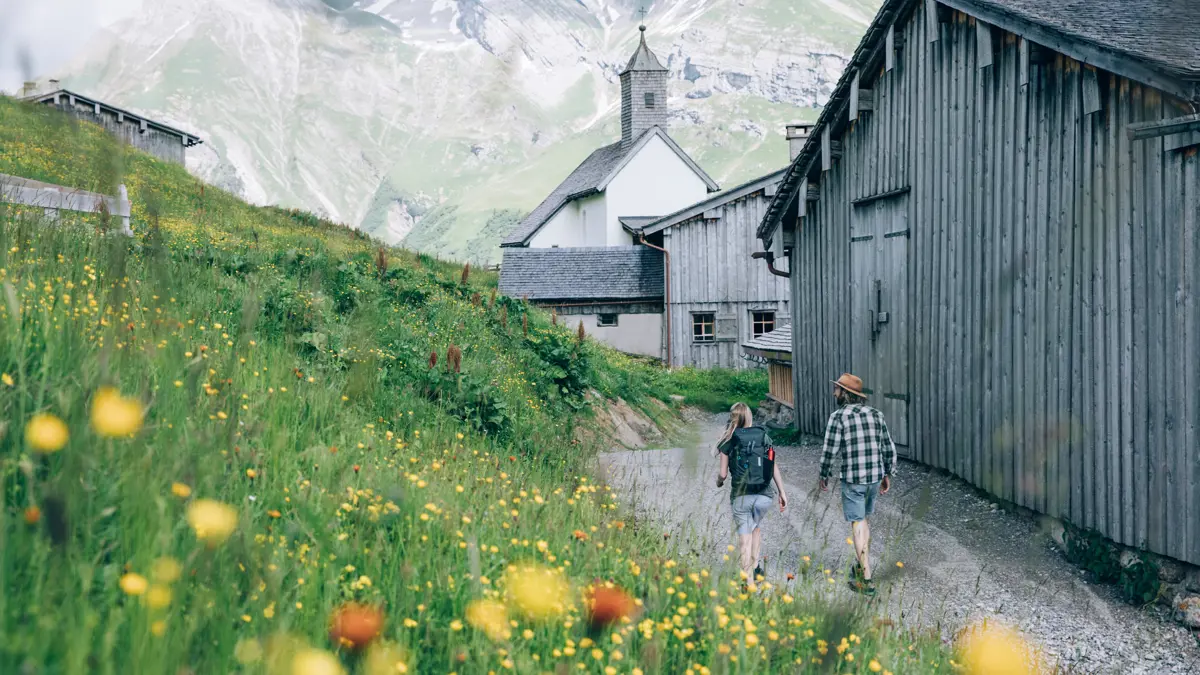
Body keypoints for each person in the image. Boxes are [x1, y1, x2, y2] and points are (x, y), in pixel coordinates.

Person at [818, 373, 897, 597]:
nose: (834, 393)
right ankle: (861, 565)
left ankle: (867, 578)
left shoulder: (838, 417)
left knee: (858, 522)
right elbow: (887, 446)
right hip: (874, 477)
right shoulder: (876, 414)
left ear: (845, 393)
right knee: (863, 520)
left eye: (837, 389)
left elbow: (830, 449)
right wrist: (887, 473)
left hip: (854, 478)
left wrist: (824, 473)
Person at [715, 402, 788, 584]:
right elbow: (772, 464)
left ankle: (747, 582)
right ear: (749, 417)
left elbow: (723, 474)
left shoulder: (728, 440)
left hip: (741, 497)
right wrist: (782, 491)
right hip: (763, 496)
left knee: (744, 538)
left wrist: (719, 482)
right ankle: (755, 569)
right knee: (755, 527)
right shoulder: (762, 435)